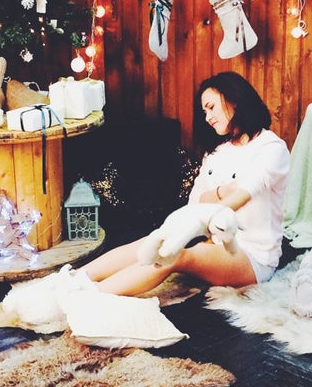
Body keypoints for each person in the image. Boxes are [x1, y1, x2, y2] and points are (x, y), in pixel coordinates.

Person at [78, 71, 290, 296]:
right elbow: (195, 201)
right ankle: (74, 278)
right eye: (204, 112)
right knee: (156, 239)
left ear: (234, 100)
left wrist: (211, 204)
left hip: (252, 257)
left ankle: (86, 297)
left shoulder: (271, 148)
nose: (207, 117)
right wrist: (220, 192)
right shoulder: (218, 152)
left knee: (173, 255)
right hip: (213, 245)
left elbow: (243, 195)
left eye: (211, 107)